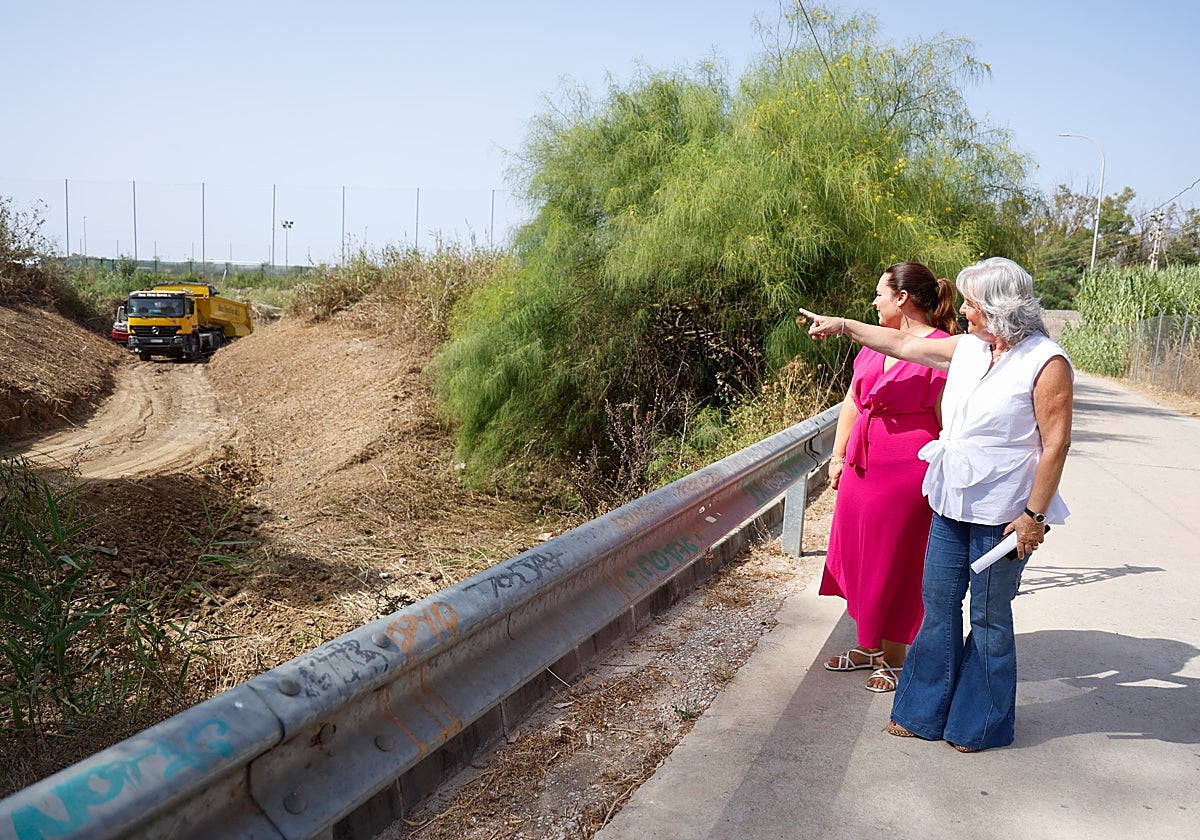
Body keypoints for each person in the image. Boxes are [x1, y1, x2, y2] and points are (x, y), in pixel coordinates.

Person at [799, 256, 1073, 752]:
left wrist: (1033, 516)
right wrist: (843, 326)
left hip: (1005, 513)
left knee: (988, 616)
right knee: (938, 608)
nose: (962, 311)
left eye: (971, 303)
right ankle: (922, 712)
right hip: (951, 501)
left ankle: (980, 724)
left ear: (1000, 307)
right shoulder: (969, 349)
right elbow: (903, 344)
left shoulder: (1045, 361)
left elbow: (1056, 443)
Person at [820, 263, 957, 693]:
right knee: (860, 552)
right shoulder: (874, 341)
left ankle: (893, 657)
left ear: (902, 298)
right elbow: (852, 400)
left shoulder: (941, 348)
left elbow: (947, 418)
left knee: (895, 557)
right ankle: (868, 645)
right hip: (862, 460)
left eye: (879, 293)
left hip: (907, 465)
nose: (874, 301)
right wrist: (838, 455)